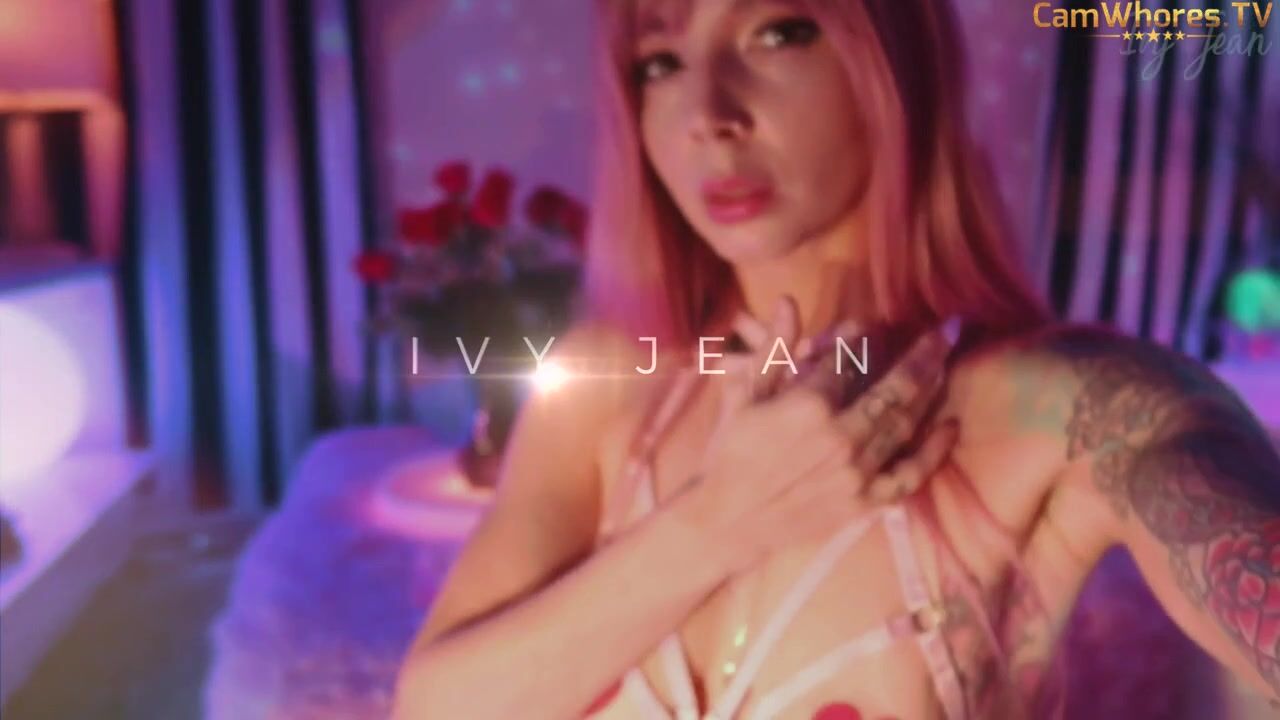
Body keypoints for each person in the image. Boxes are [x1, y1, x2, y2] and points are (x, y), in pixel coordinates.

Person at [391, 1, 1280, 718]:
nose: (708, 118)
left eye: (778, 31)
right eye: (660, 62)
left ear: (890, 56)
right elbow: (435, 709)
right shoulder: (605, 388)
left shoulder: (1058, 406)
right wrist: (720, 522)